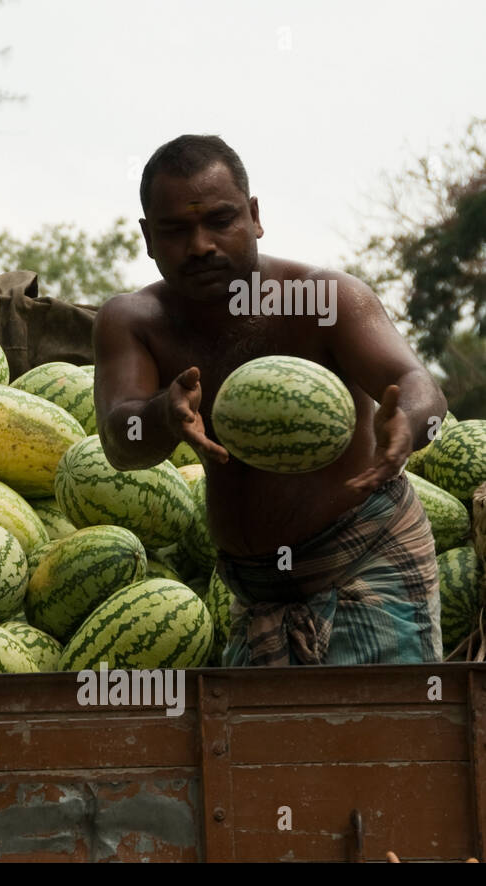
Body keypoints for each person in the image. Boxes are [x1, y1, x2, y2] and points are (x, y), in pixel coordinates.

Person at [93, 134, 446, 666]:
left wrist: (409, 425)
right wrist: (161, 414)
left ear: (254, 216)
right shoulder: (134, 321)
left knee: (377, 742)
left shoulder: (323, 299)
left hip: (366, 564)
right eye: (175, 230)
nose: (200, 245)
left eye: (220, 220)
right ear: (147, 237)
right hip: (255, 589)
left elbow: (419, 384)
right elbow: (122, 444)